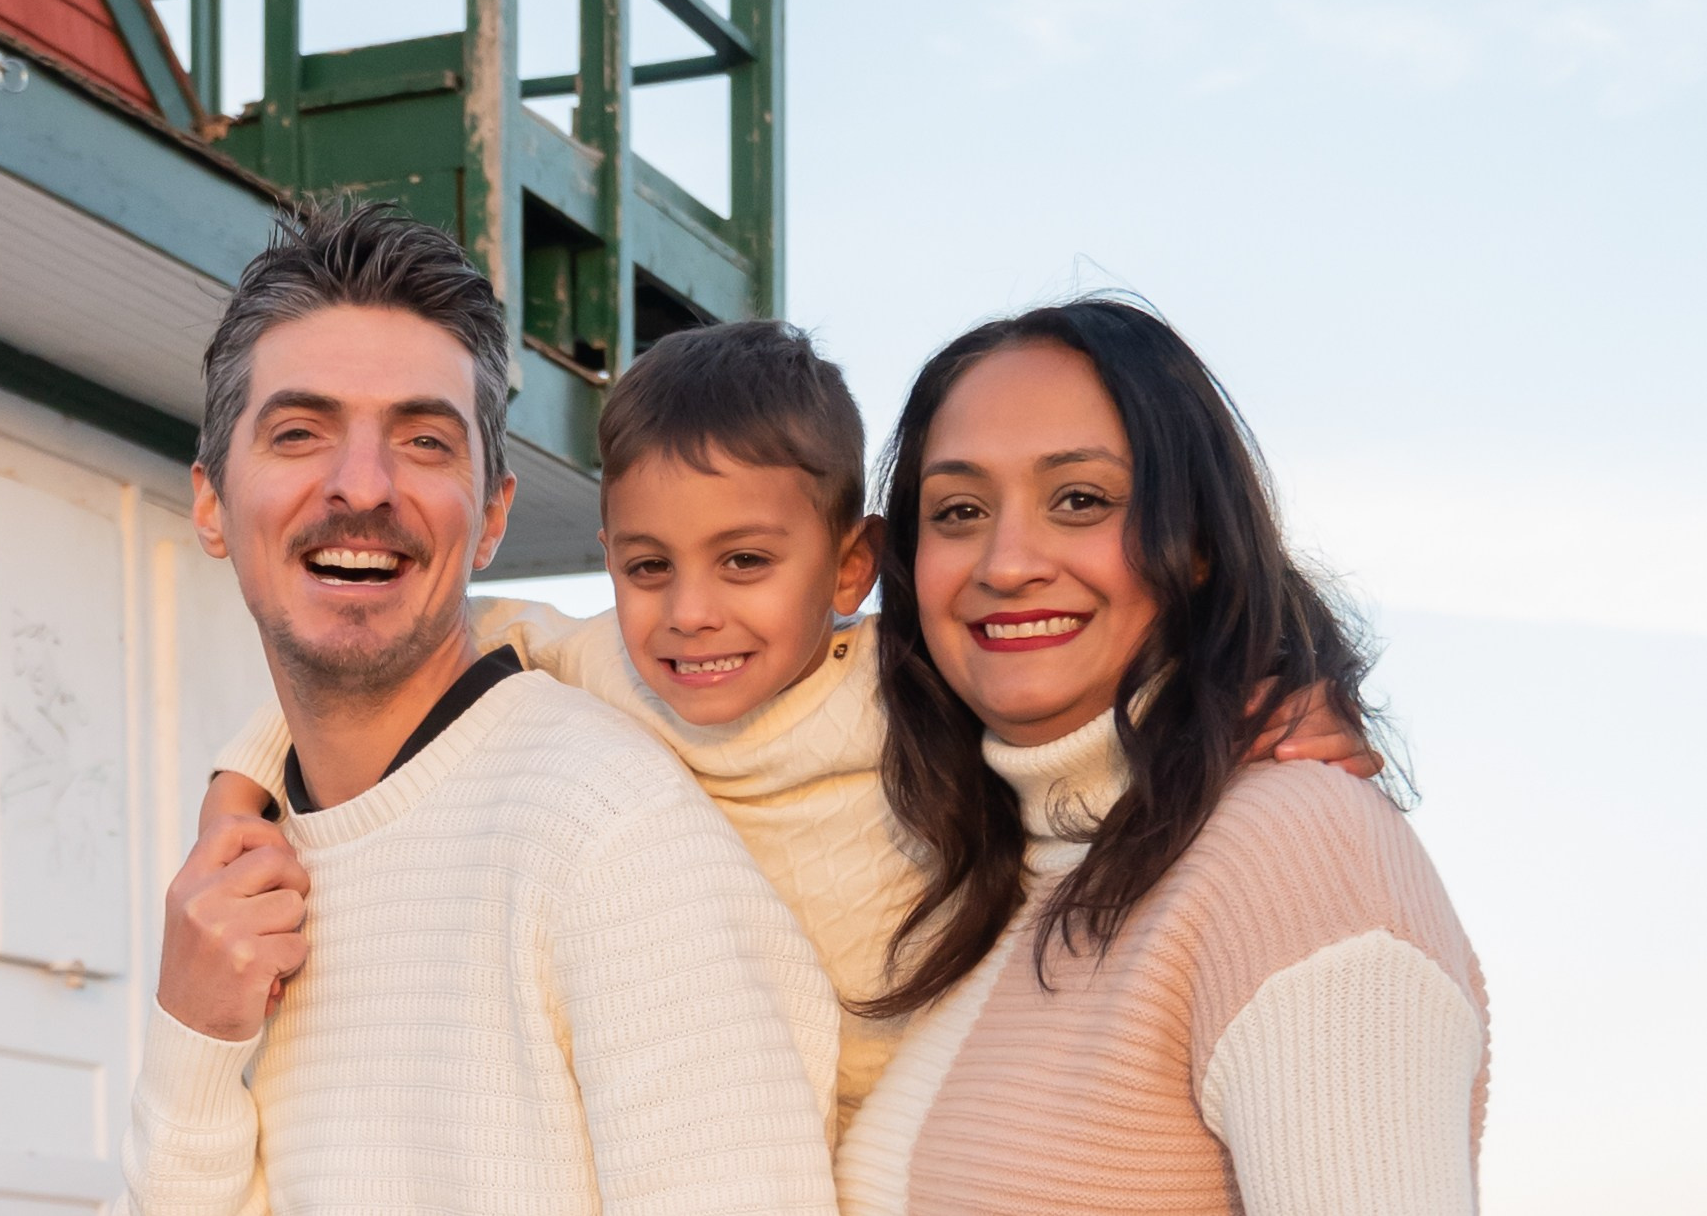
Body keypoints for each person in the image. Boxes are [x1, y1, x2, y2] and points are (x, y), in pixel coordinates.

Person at [202, 320, 1382, 1134]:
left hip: (917, 1132)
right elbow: (373, 657)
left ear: (851, 564)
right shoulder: (591, 666)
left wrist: (1285, 687)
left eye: (746, 563)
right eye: (647, 566)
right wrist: (239, 790)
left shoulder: (904, 686)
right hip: (719, 1132)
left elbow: (1112, 697)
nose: (691, 613)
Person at [121, 202, 840, 1216]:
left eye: (422, 440)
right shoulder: (237, 879)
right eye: (298, 432)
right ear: (209, 504)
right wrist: (192, 1038)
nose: (360, 486)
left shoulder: (605, 835)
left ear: (493, 514)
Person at [835, 300, 1488, 1215]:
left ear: (1199, 549)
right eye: (958, 510)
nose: (1006, 560)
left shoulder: (1296, 852)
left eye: (1080, 499)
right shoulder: (1001, 872)